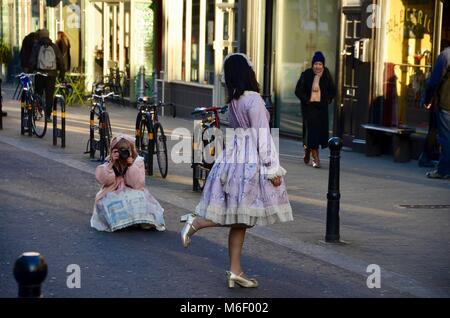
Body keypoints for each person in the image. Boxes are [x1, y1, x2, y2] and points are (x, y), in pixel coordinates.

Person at [179, 53, 293, 288]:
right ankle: (198, 222)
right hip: (250, 160)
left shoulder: (234, 101)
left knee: (240, 218)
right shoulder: (254, 100)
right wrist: (273, 170)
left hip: (235, 155)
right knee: (243, 215)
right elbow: (262, 135)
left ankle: (235, 271)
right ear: (247, 72)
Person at [91, 134, 166, 232]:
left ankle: (141, 221)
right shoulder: (110, 162)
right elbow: (104, 180)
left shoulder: (137, 162)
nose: (123, 153)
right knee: (109, 200)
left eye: (126, 150)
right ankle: (119, 222)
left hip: (131, 188)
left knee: (138, 197)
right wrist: (112, 163)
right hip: (113, 189)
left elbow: (136, 184)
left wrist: (131, 165)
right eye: (120, 150)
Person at [295, 51, 336, 168]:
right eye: (316, 64)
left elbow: (332, 90)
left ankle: (307, 149)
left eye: (320, 64)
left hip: (322, 109)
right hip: (309, 108)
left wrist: (327, 99)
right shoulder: (306, 74)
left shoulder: (326, 74)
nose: (318, 66)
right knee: (312, 132)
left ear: (323, 65)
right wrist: (307, 100)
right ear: (312, 64)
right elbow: (298, 91)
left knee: (319, 133)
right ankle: (316, 159)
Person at [421, 42, 450, 179]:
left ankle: (444, 171)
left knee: (446, 138)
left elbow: (433, 83)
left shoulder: (446, 55)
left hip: (446, 103)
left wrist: (427, 100)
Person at [29, 29, 65, 122]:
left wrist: (30, 70)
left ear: (40, 36)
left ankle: (38, 112)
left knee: (38, 93)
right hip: (51, 74)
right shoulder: (54, 46)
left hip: (40, 73)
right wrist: (62, 73)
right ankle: (48, 115)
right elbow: (61, 60)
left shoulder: (37, 46)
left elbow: (32, 59)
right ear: (48, 35)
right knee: (49, 95)